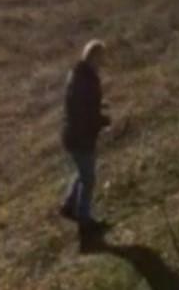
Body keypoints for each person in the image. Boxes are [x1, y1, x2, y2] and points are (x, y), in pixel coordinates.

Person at [59, 39, 112, 246]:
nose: (102, 62)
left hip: (74, 134)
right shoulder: (86, 80)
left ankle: (69, 205)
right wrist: (102, 119)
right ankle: (84, 220)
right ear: (92, 57)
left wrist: (98, 107)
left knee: (82, 172)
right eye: (100, 58)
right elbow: (84, 113)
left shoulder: (79, 75)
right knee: (88, 178)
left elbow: (82, 105)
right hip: (81, 136)